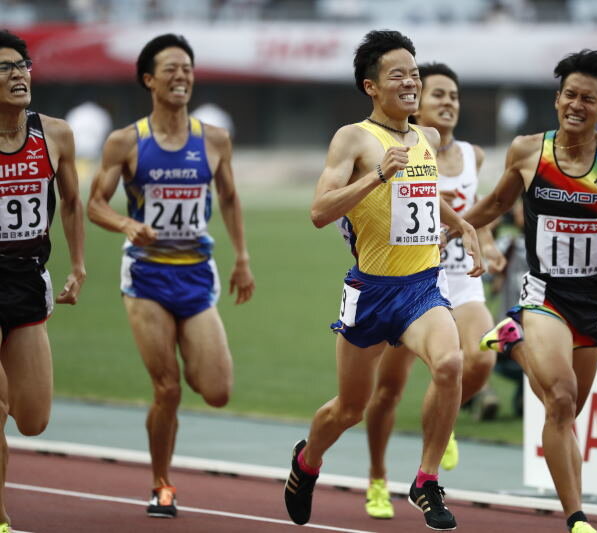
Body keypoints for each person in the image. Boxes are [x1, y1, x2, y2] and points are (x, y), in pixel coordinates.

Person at [283, 30, 483, 531]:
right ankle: (307, 462)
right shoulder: (353, 139)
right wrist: (376, 176)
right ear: (371, 86)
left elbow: (421, 193)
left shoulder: (427, 138)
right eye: (399, 75)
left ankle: (426, 479)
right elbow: (317, 212)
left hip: (421, 287)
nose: (411, 83)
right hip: (370, 292)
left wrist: (457, 221)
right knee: (350, 408)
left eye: (415, 73)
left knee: (451, 361)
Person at [463, 49, 597, 533]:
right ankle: (576, 517)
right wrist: (449, 231)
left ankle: (510, 338)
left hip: (593, 304)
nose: (576, 104)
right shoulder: (529, 151)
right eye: (569, 95)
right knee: (562, 399)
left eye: (587, 99)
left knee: (565, 413)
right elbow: (493, 205)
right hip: (544, 294)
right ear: (556, 100)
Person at [87, 33, 255, 519]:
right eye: (171, 69)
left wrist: (242, 256)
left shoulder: (214, 140)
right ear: (149, 79)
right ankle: (162, 483)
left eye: (187, 68)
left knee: (218, 390)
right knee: (167, 387)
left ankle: (164, 472)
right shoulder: (126, 141)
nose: (182, 76)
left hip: (197, 275)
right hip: (147, 277)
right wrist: (125, 223)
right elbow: (96, 203)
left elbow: (228, 197)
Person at [361, 61, 506, 520]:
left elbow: (479, 211)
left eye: (455, 97)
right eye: (438, 94)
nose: (448, 103)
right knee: (387, 392)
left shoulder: (473, 156)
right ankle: (378, 479)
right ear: (417, 102)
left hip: (460, 280)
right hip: (410, 281)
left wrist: (486, 244)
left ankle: (445, 417)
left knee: (480, 358)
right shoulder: (402, 150)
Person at [0, 30, 86, 533]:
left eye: (22, 64)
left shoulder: (53, 134)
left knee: (31, 418)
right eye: (6, 67)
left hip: (29, 280)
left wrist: (77, 266)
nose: (18, 75)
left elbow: (72, 203)